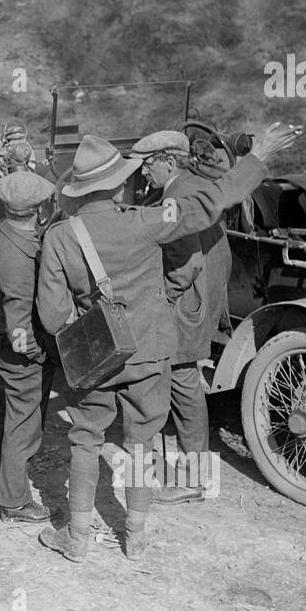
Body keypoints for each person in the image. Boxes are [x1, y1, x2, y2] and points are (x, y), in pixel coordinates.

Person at [36, 124, 300, 562]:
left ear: (78, 192)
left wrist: (86, 323)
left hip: (96, 358)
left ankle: (77, 538)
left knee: (85, 439)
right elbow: (212, 202)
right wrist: (260, 156)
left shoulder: (60, 237)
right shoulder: (148, 222)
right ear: (120, 185)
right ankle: (135, 536)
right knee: (141, 440)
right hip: (150, 351)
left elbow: (50, 317)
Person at [131, 130, 234, 504]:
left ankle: (193, 480)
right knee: (183, 382)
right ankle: (185, 470)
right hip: (204, 297)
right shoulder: (196, 185)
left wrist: (164, 296)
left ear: (169, 162)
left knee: (183, 384)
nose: (143, 173)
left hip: (186, 303)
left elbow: (186, 264)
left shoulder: (176, 196)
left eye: (147, 165)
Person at [0, 170, 57, 521]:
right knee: (23, 426)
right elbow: (20, 325)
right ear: (37, 210)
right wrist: (37, 355)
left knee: (3, 414)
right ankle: (15, 502)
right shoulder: (20, 260)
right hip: (16, 350)